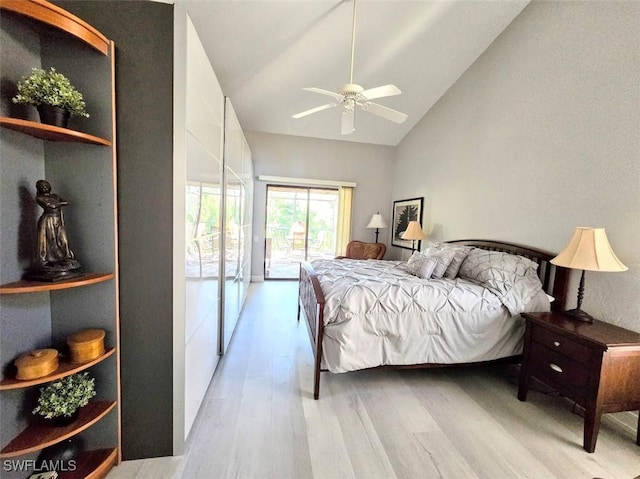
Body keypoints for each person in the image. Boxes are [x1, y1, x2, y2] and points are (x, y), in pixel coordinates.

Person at [28, 180, 81, 280]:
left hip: (58, 219)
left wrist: (58, 203)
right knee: (50, 241)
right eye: (42, 186)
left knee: (63, 240)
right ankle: (49, 260)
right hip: (48, 220)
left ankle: (66, 258)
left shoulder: (54, 196)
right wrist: (58, 203)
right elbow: (51, 205)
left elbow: (65, 202)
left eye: (46, 185)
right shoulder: (40, 198)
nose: (44, 188)